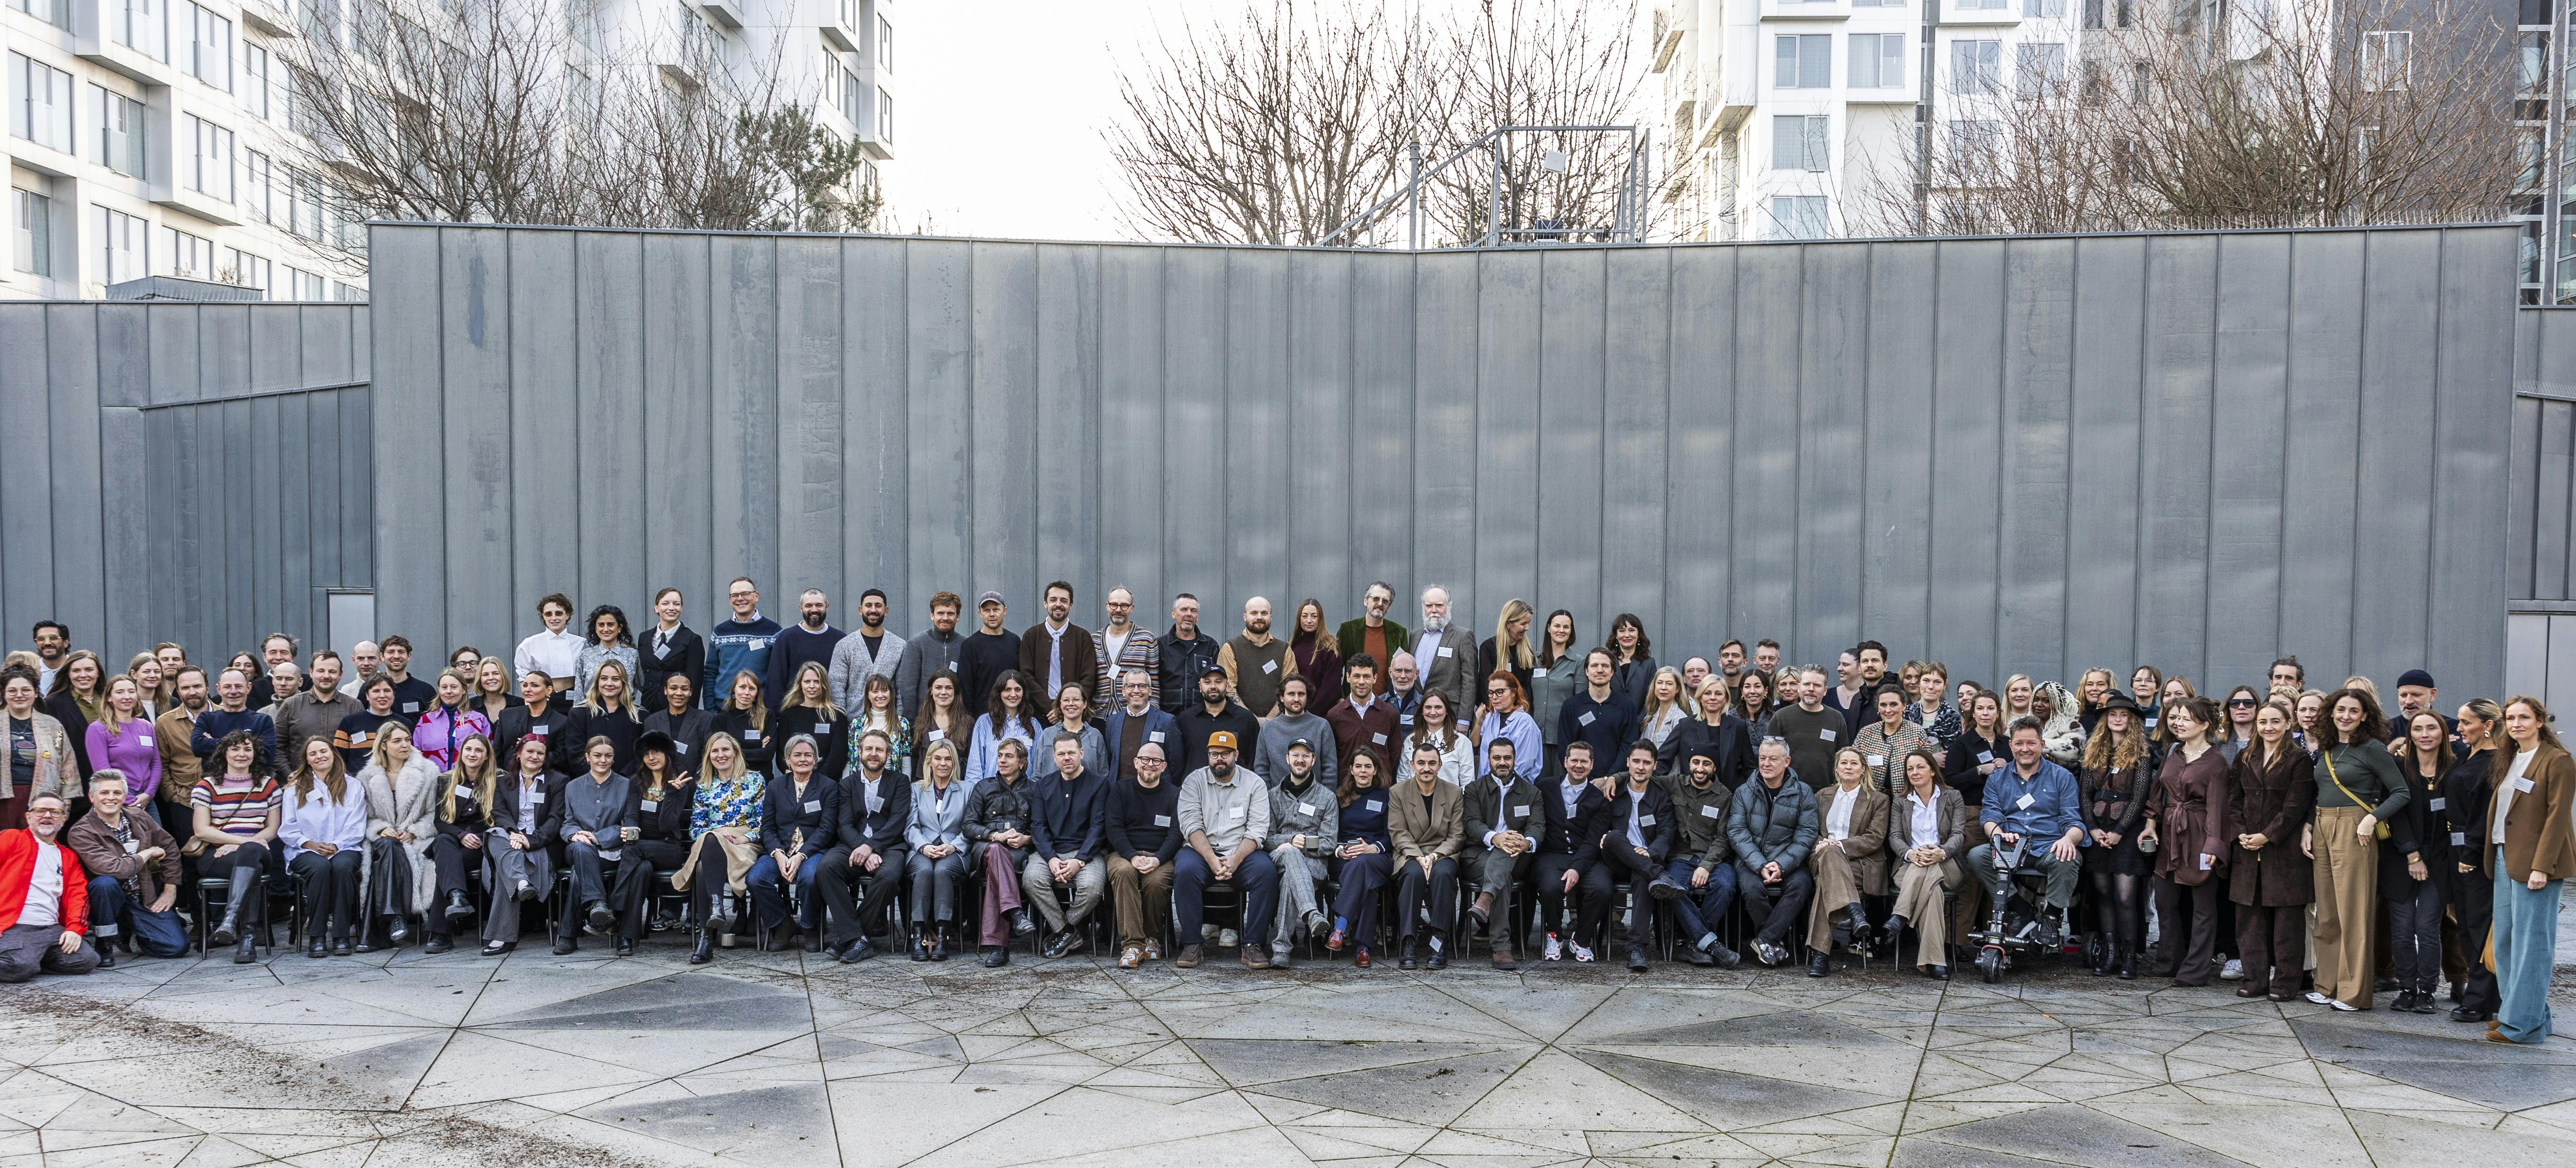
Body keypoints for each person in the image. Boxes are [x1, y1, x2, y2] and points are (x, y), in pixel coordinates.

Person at [2307, 687, 2405, 1012]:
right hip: (2322, 826)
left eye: (2353, 711)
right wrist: (2309, 826)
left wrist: (2371, 819)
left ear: (2365, 715)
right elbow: (2319, 790)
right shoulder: (2328, 747)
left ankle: (2353, 992)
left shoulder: (2373, 748)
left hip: (2354, 828)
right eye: (2340, 709)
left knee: (2354, 913)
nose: (2346, 716)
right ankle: (2327, 983)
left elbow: (2401, 791)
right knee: (2328, 913)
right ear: (2331, 712)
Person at [2485, 695, 2576, 1044]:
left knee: (2532, 943)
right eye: (2511, 718)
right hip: (2504, 856)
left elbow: (2558, 818)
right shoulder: (2511, 758)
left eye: (2524, 717)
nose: (2516, 723)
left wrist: (2543, 866)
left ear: (2540, 720)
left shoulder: (2558, 760)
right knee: (2507, 939)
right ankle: (2524, 1014)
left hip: (2536, 863)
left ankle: (2522, 1025)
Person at [2225, 700, 2316, 1001]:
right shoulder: (2244, 756)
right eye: (2263, 722)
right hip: (2247, 850)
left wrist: (2267, 835)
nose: (2268, 727)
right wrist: (2240, 833)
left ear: (2289, 723)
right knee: (2248, 921)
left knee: (2286, 923)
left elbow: (2295, 806)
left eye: (2275, 721)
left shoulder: (2299, 759)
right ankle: (2255, 980)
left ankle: (2286, 984)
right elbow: (2233, 801)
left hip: (2285, 851)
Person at [1972, 718, 2086, 951]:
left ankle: (2051, 919)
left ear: (2042, 744)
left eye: (2031, 743)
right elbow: (1990, 816)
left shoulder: (2061, 777)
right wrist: (1999, 835)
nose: (2025, 749)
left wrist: (2068, 839)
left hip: (2049, 846)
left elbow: (2074, 822)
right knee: (1977, 855)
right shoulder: (1997, 778)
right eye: (2019, 743)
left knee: (2069, 857)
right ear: (2011, 746)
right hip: (2012, 846)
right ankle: (2022, 910)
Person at [1173, 730, 1280, 969]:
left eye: (1225, 754)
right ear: (1208, 755)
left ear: (1236, 755)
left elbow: (1257, 829)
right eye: (1214, 754)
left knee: (1266, 874)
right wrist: (1212, 859)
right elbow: (1191, 825)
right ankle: (1192, 944)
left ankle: (1253, 944)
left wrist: (1235, 859)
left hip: (1242, 851)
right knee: (1185, 872)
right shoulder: (1194, 782)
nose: (1219, 759)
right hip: (1202, 851)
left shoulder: (1255, 783)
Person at [2141, 696, 2229, 987]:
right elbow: (2157, 793)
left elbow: (2218, 808)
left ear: (2205, 724)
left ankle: (2195, 971)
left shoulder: (2216, 762)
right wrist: (2151, 824)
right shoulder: (2173, 752)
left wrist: (2214, 845)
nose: (2177, 722)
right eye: (2176, 717)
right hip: (2169, 834)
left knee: (2204, 908)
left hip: (2200, 834)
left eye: (2185, 718)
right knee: (2166, 902)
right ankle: (2169, 962)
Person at [2371, 709, 2450, 1013]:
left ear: (2443, 733)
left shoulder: (2452, 770)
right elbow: (2395, 813)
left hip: (2439, 862)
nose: (2425, 734)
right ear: (2410, 734)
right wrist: (2412, 854)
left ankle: (2427, 991)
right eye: (2419, 729)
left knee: (2428, 928)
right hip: (2401, 859)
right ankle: (2406, 988)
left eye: (2432, 728)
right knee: (2402, 929)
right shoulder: (2399, 769)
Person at [66, 769, 186, 963]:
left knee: (176, 947)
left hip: (143, 896)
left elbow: (170, 847)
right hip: (109, 901)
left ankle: (135, 932)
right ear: (92, 797)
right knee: (104, 884)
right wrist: (147, 853)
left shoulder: (139, 816)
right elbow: (116, 868)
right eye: (104, 793)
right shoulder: (81, 832)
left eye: (117, 793)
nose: (111, 798)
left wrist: (171, 888)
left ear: (124, 796)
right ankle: (104, 942)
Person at [2077, 692, 2156, 978]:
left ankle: (2129, 958)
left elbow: (2139, 796)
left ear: (2132, 719)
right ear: (2105, 719)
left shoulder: (2142, 752)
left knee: (2125, 896)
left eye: (2123, 714)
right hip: (2098, 828)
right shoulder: (2093, 749)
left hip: (2128, 832)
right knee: (2103, 894)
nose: (2118, 719)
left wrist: (2121, 831)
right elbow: (2085, 793)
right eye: (2113, 714)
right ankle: (2110, 955)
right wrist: (2092, 828)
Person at [815, 729, 910, 963]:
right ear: (859, 752)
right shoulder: (847, 784)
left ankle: (851, 937)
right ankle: (858, 938)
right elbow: (844, 824)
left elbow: (897, 822)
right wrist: (863, 847)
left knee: (889, 877)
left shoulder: (900, 782)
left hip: (889, 846)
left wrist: (872, 847)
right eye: (869, 749)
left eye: (880, 749)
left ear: (889, 754)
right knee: (826, 868)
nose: (874, 754)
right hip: (852, 844)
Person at [191, 732, 280, 963]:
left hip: (259, 850)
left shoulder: (268, 786)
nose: (242, 754)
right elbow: (201, 830)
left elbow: (272, 830)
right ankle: (248, 938)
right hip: (217, 854)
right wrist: (237, 843)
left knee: (251, 855)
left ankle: (230, 921)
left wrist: (244, 846)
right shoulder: (206, 786)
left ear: (255, 754)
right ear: (225, 753)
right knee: (251, 862)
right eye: (235, 749)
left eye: (247, 749)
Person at [676, 733, 764, 964]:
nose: (720, 755)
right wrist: (715, 836)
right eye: (715, 751)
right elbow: (696, 829)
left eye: (725, 750)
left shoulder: (755, 781)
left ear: (735, 752)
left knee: (704, 866)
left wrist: (745, 838)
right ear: (709, 757)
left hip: (744, 844)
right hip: (713, 844)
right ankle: (714, 912)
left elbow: (764, 823)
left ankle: (707, 937)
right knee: (708, 850)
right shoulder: (704, 786)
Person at [1593, 741, 1679, 971]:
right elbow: (1598, 825)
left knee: (1643, 876)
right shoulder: (1613, 793)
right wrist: (1604, 837)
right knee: (1613, 837)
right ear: (1628, 762)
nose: (1641, 767)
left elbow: (1666, 833)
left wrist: (1650, 852)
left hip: (1644, 860)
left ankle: (1635, 949)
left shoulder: (1661, 797)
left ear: (1655, 766)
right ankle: (1661, 875)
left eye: (1647, 763)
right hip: (1614, 860)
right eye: (1637, 761)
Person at [1803, 748, 1890, 977]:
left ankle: (1820, 956)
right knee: (1830, 856)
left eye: (1854, 763)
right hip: (1821, 856)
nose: (1848, 767)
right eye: (1844, 763)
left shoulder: (1878, 800)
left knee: (1826, 883)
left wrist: (1837, 845)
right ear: (1837, 768)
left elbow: (1875, 838)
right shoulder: (1822, 796)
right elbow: (1810, 830)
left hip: (1862, 864)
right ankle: (1855, 911)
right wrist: (1825, 844)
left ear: (1863, 769)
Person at [746, 733, 837, 951]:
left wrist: (801, 855)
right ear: (787, 760)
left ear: (816, 760)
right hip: (780, 849)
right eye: (797, 755)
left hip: (812, 851)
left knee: (809, 877)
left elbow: (826, 829)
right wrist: (778, 853)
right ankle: (783, 923)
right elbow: (767, 827)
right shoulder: (776, 786)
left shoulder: (828, 787)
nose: (803, 759)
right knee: (756, 878)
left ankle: (809, 926)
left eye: (808, 755)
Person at [553, 736, 642, 956]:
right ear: (587, 757)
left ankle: (568, 935)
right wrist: (575, 835)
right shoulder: (572, 786)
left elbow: (626, 823)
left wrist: (597, 837)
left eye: (608, 756)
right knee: (582, 851)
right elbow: (568, 821)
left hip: (612, 850)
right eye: (597, 755)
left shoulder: (627, 784)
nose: (603, 760)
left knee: (577, 875)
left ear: (614, 758)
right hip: (578, 847)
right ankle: (598, 904)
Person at [282, 737, 370, 958]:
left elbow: (357, 824)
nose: (319, 756)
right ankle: (317, 936)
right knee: (319, 868)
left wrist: (337, 845)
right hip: (305, 849)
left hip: (345, 847)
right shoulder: (295, 788)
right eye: (313, 754)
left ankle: (341, 936)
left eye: (324, 751)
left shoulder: (353, 785)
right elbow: (287, 827)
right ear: (307, 760)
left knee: (342, 868)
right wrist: (310, 844)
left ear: (333, 754)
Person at [356, 721, 439, 951]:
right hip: (382, 840)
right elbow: (366, 816)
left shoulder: (428, 771)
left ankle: (385, 925)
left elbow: (435, 814)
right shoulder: (367, 776)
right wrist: (381, 829)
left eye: (407, 740)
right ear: (383, 745)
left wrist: (413, 831)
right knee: (386, 846)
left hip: (416, 838)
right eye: (397, 741)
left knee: (389, 851)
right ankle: (396, 917)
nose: (405, 745)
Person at [1024, 734, 1107, 959]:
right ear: (1054, 757)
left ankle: (1066, 928)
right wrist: (1051, 858)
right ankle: (1067, 931)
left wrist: (1079, 860)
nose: (1067, 758)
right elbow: (1038, 827)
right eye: (1061, 754)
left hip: (1087, 853)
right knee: (1031, 879)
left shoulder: (1099, 784)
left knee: (1092, 888)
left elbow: (1099, 827)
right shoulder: (1043, 786)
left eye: (1071, 753)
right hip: (1050, 852)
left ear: (1082, 753)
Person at [0, 793, 99, 981]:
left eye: (55, 812)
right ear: (29, 817)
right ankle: (26, 960)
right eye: (40, 811)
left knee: (86, 960)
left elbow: (78, 895)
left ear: (64, 819)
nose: (47, 816)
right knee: (18, 966)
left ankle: (31, 959)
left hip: (52, 929)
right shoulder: (11, 838)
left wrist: (74, 929)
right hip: (15, 927)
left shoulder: (68, 856)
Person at [1460, 736, 1540, 969]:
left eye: (1507, 758)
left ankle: (1485, 900)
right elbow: (1472, 822)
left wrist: (1526, 842)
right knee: (1501, 873)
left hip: (1517, 855)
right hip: (1478, 856)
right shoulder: (1475, 789)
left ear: (1515, 759)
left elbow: (1538, 826)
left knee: (1508, 850)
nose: (1502, 762)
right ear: (1489, 759)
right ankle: (1502, 948)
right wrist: (1495, 838)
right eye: (1497, 758)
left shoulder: (1531, 792)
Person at [2444, 700, 2501, 1023]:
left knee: (2480, 925)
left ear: (2488, 724)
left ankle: (2482, 998)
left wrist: (2470, 853)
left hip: (2474, 851)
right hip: (2456, 846)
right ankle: (2478, 994)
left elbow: (2484, 814)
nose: (2460, 728)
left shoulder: (2495, 763)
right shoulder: (2467, 755)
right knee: (2464, 923)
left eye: (2467, 722)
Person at [480, 736, 563, 957]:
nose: (535, 757)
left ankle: (503, 936)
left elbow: (556, 819)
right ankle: (521, 881)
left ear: (545, 758)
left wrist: (531, 840)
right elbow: (499, 813)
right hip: (510, 838)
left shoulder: (558, 782)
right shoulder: (504, 782)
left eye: (540, 753)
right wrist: (514, 834)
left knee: (505, 871)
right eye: (530, 752)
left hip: (542, 842)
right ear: (519, 753)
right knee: (494, 835)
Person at [1886, 750, 1966, 978]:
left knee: (1929, 865)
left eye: (1920, 767)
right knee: (1933, 895)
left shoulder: (1952, 797)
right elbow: (1895, 837)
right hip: (1909, 866)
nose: (1915, 772)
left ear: (1933, 770)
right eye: (1910, 769)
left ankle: (1901, 914)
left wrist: (1941, 852)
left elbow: (1959, 835)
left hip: (1947, 864)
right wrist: (1911, 854)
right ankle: (1935, 962)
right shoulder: (1901, 801)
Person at [1661, 744, 1741, 967]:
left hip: (1715, 859)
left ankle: (1694, 944)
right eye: (1696, 762)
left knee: (1725, 886)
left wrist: (1706, 866)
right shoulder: (1675, 783)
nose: (1700, 768)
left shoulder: (1725, 796)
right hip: (1682, 858)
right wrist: (1612, 779)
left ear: (1714, 767)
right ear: (1689, 764)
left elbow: (1724, 838)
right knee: (1673, 887)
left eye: (1706, 764)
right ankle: (1710, 944)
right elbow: (1643, 778)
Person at [1105, 739, 1182, 968]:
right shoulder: (1120, 790)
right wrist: (1132, 855)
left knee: (1157, 881)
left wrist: (1158, 858)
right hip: (1124, 853)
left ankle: (1151, 937)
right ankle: (1132, 945)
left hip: (1160, 855)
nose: (1150, 765)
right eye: (1146, 760)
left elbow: (1177, 833)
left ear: (1164, 767)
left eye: (1156, 761)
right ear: (1136, 762)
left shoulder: (1174, 794)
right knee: (1125, 873)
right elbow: (1114, 827)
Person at [1387, 742, 1464, 971]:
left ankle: (1439, 941)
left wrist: (1436, 856)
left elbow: (1457, 835)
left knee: (1444, 874)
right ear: (1412, 765)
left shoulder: (1454, 793)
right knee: (1412, 876)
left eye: (1432, 763)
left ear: (1440, 765)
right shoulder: (1398, 792)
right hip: (1410, 853)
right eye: (1421, 763)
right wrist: (1420, 857)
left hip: (1443, 853)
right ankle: (1408, 941)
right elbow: (1398, 833)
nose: (1426, 768)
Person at [964, 737, 1038, 967]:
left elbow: (1044, 828)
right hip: (985, 850)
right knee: (996, 852)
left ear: (1022, 762)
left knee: (999, 867)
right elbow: (968, 825)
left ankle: (1000, 948)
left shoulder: (1035, 790)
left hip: (1019, 853)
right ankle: (1016, 913)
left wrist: (1027, 839)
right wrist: (995, 836)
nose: (1002, 761)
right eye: (1000, 756)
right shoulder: (983, 787)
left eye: (1009, 756)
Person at [1264, 739, 1337, 967]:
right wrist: (1289, 841)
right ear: (1287, 759)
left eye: (1306, 756)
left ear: (1313, 761)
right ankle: (1312, 914)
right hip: (1279, 856)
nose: (1300, 760)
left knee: (1290, 877)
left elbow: (1329, 843)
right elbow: (1265, 838)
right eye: (1295, 755)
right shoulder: (1272, 796)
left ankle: (1282, 950)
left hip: (1315, 865)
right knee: (1290, 855)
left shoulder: (1327, 798)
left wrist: (1302, 845)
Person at [1532, 742, 1608, 962]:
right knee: (1549, 887)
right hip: (1551, 855)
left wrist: (1577, 868)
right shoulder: (1545, 787)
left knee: (1602, 888)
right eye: (1574, 760)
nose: (1578, 765)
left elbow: (1594, 840)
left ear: (1592, 765)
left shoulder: (1599, 799)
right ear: (1565, 762)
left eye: (1584, 761)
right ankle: (1554, 935)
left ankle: (1582, 939)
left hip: (1586, 857)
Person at [424, 733, 498, 954]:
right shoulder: (446, 780)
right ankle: (457, 897)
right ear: (461, 752)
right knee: (443, 842)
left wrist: (473, 836)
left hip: (481, 843)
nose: (473, 754)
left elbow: (497, 818)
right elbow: (440, 821)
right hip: (453, 839)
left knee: (446, 866)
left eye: (478, 750)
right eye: (469, 749)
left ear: (486, 756)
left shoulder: (498, 780)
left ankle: (441, 934)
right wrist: (460, 835)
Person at [903, 739, 972, 961]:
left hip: (954, 850)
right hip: (921, 849)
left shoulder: (967, 789)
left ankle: (943, 937)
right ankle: (918, 937)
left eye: (948, 759)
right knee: (924, 871)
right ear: (929, 761)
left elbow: (970, 826)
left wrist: (954, 846)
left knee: (942, 872)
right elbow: (910, 826)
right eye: (938, 758)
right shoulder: (916, 789)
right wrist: (923, 846)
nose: (943, 763)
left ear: (955, 763)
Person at [1324, 748, 1393, 967]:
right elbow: (1331, 833)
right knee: (1367, 882)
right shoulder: (1340, 796)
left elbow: (1393, 834)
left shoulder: (1388, 796)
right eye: (1359, 766)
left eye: (1368, 766)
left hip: (1378, 856)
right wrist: (1340, 850)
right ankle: (1362, 948)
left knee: (1364, 864)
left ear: (1375, 770)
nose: (1363, 771)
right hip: (1344, 857)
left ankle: (1340, 927)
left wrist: (1373, 848)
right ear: (1351, 770)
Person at [625, 732, 694, 935]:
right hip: (641, 849)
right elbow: (631, 815)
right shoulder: (636, 782)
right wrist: (631, 830)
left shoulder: (679, 784)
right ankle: (630, 928)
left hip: (668, 848)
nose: (651, 758)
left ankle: (615, 907)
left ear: (667, 754)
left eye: (656, 752)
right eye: (646, 754)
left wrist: (673, 794)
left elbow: (666, 825)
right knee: (641, 868)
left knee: (631, 850)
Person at [1016, 581, 1099, 722]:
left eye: (1064, 601)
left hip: (1075, 715)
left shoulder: (1083, 637)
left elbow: (1089, 678)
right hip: (1039, 715)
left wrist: (1066, 707)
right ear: (1045, 603)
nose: (1058, 604)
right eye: (1053, 600)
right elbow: (1026, 676)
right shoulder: (1031, 636)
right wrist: (1050, 708)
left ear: (1071, 606)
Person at [706, 579, 783, 712]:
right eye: (735, 595)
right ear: (730, 599)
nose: (740, 599)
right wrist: (711, 710)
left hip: (759, 710)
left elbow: (779, 675)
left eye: (746, 594)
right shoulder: (720, 632)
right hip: (724, 709)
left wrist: (772, 710)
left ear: (756, 596)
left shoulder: (773, 631)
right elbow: (710, 673)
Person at [83, 676, 160, 811]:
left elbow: (156, 764)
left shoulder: (147, 727)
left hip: (146, 799)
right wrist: (129, 800)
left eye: (131, 691)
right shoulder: (98, 729)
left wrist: (149, 794)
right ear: (109, 698)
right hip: (117, 800)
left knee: (154, 832)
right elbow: (103, 771)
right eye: (120, 692)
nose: (127, 697)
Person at [1663, 677, 1755, 787]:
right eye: (1708, 693)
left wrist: (1745, 794)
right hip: (1691, 797)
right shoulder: (1685, 726)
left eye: (1718, 694)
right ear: (1701, 697)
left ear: (1725, 698)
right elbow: (1662, 760)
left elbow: (1750, 767)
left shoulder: (1738, 726)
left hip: (1727, 798)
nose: (1713, 698)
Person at [1557, 649, 1639, 772]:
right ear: (1586, 671)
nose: (1600, 670)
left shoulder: (1626, 707)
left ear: (1612, 672)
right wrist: (1585, 778)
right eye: (1594, 666)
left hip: (1616, 784)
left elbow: (1629, 747)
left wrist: (1610, 778)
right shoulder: (1571, 706)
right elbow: (1565, 749)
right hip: (1581, 781)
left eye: (1605, 666)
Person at [826, 589, 907, 714]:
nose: (873, 610)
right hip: (853, 722)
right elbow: (836, 687)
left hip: (888, 721)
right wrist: (841, 720)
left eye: (878, 606)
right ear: (860, 610)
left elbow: (902, 689)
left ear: (886, 611)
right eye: (868, 606)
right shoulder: (845, 645)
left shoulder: (899, 646)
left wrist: (899, 720)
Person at [559, 660, 645, 776]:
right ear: (597, 682)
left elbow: (642, 754)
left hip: (628, 783)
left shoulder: (640, 715)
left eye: (615, 679)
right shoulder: (579, 714)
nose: (609, 684)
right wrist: (596, 777)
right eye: (604, 678)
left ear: (624, 682)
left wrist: (623, 779)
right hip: (589, 782)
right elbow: (575, 753)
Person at [152, 666, 207, 841]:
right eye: (185, 688)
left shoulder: (226, 715)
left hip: (225, 798)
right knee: (190, 856)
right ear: (177, 691)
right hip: (184, 801)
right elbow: (161, 762)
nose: (192, 692)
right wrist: (172, 796)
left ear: (207, 687)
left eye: (197, 686)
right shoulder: (165, 723)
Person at [190, 668, 278, 776]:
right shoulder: (207, 718)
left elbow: (267, 756)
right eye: (227, 687)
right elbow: (197, 747)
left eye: (239, 686)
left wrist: (215, 743)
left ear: (248, 688)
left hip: (253, 787)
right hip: (215, 787)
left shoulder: (263, 720)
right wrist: (249, 746)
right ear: (219, 689)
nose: (233, 691)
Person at [1175, 665, 1260, 778]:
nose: (1213, 686)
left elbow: (1255, 760)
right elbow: (1178, 760)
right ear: (1200, 687)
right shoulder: (1185, 720)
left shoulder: (1246, 719)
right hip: (1195, 790)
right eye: (1208, 682)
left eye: (1218, 682)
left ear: (1227, 685)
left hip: (1236, 790)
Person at [1324, 655, 1398, 782]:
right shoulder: (1334, 715)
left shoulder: (1390, 715)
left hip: (1380, 789)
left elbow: (1394, 754)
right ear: (1348, 677)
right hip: (1346, 790)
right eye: (1357, 676)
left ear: (1375, 678)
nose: (1361, 682)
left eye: (1367, 676)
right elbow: (1331, 756)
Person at [1216, 596, 1293, 720]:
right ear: (1245, 617)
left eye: (1264, 613)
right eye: (1254, 613)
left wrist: (1270, 720)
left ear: (1271, 617)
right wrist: (1253, 720)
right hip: (1239, 722)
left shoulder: (1284, 649)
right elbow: (1229, 690)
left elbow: (1290, 688)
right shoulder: (1231, 648)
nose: (1259, 617)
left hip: (1277, 724)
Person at [892, 591, 965, 720]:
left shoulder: (965, 645)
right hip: (925, 721)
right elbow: (908, 688)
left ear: (958, 616)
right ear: (932, 615)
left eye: (951, 614)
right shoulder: (917, 644)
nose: (945, 618)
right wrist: (913, 723)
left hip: (957, 721)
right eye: (941, 613)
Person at [1767, 668, 1842, 792]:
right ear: (1799, 687)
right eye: (1807, 684)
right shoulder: (1781, 717)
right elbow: (1770, 757)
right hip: (1787, 792)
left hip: (1827, 794)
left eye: (1817, 685)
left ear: (1825, 691)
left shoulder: (1837, 718)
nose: (1811, 689)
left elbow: (1842, 758)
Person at [276, 653, 355, 770]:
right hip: (300, 782)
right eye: (321, 671)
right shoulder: (290, 705)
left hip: (343, 782)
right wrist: (289, 775)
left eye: (332, 671)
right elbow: (278, 746)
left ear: (341, 675)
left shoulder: (353, 706)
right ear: (311, 672)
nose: (326, 676)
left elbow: (361, 748)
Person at [766, 589, 846, 705]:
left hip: (829, 711)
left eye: (819, 605)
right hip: (794, 710)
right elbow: (776, 680)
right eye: (809, 606)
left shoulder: (840, 639)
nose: (814, 610)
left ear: (827, 607)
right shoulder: (786, 638)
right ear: (801, 608)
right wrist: (777, 716)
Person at [1254, 676, 1337, 787]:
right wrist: (1268, 799)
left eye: (1301, 694)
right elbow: (1261, 769)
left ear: (1307, 697)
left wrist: (1325, 800)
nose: (1297, 699)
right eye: (1291, 694)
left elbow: (1330, 768)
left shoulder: (1322, 726)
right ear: (1282, 697)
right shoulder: (1268, 729)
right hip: (1277, 801)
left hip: (1315, 801)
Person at [776, 662, 852, 783]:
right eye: (807, 682)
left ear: (824, 684)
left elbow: (838, 757)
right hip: (795, 782)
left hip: (826, 783)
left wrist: (815, 781)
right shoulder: (788, 715)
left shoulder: (837, 716)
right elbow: (782, 753)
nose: (812, 686)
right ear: (800, 684)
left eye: (817, 682)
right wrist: (796, 776)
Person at [966, 671, 1042, 786]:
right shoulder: (985, 722)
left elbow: (1038, 768)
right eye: (1007, 690)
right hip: (991, 796)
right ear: (999, 693)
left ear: (1024, 692)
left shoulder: (1034, 725)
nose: (1013, 695)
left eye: (1017, 690)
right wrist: (977, 797)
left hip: (1024, 797)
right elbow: (975, 767)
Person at [1334, 582, 1409, 699]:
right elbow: (1336, 668)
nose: (1380, 604)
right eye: (1376, 599)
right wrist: (1340, 697)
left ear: (1388, 607)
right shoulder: (1348, 630)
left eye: (1385, 601)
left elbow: (1404, 669)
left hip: (1388, 704)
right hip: (1354, 702)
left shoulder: (1399, 632)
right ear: (1366, 601)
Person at [637, 588, 708, 709]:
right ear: (656, 608)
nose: (671, 608)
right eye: (665, 603)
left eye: (676, 604)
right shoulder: (644, 638)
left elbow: (695, 683)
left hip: (677, 708)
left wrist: (690, 715)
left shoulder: (692, 640)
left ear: (681, 609)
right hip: (648, 706)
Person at [1410, 587, 1475, 718]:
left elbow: (1470, 681)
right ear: (1424, 608)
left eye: (1439, 605)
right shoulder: (1414, 636)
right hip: (1418, 712)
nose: (1434, 610)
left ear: (1448, 607)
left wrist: (1464, 719)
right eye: (1429, 606)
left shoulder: (1463, 636)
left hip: (1450, 713)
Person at [1854, 687, 1932, 795]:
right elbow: (1853, 767)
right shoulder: (1866, 734)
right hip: (1871, 800)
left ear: (1904, 706)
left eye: (1894, 704)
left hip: (1907, 800)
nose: (1888, 710)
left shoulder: (1917, 732)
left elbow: (1927, 769)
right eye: (1883, 705)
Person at [1103, 668, 1176, 783]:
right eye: (1131, 686)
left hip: (1154, 791)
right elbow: (1111, 759)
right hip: (1120, 792)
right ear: (1123, 691)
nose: (1136, 691)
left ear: (1150, 691)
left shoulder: (1167, 721)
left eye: (1142, 686)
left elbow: (1176, 764)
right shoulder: (1112, 722)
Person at [957, 592, 1022, 723]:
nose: (992, 614)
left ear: (1005, 611)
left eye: (996, 609)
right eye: (987, 610)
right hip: (982, 718)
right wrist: (970, 720)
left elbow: (1021, 680)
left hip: (1013, 716)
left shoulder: (1014, 641)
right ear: (980, 613)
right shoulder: (970, 646)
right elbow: (965, 688)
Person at [413, 668, 492, 773]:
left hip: (467, 782)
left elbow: (488, 753)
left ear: (464, 690)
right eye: (444, 687)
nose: (449, 691)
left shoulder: (478, 720)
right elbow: (416, 754)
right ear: (439, 690)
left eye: (454, 687)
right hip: (433, 781)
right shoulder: (426, 721)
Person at [1530, 611, 1580, 775]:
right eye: (1557, 626)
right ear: (1549, 629)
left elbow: (1581, 702)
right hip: (1535, 738)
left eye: (1566, 627)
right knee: (1538, 788)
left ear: (1571, 631)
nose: (1562, 630)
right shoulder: (1534, 660)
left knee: (1560, 790)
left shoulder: (1578, 662)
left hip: (1564, 739)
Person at [44, 650, 108, 777]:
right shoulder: (53, 704)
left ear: (98, 673)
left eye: (89, 670)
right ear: (68, 674)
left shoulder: (110, 700)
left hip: (111, 778)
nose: (83, 675)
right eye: (76, 671)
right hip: (74, 779)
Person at [492, 669, 572, 771]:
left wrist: (534, 752)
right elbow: (497, 753)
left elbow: (561, 757)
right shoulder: (507, 715)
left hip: (544, 778)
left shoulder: (560, 722)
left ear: (549, 690)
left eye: (534, 686)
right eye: (525, 685)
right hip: (509, 778)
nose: (528, 690)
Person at [1157, 594, 1223, 714]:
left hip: (1201, 718)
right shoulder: (1160, 646)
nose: (1189, 614)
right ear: (1173, 614)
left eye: (1194, 611)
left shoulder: (1210, 646)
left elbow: (1219, 681)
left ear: (1197, 616)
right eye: (1184, 610)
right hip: (1167, 717)